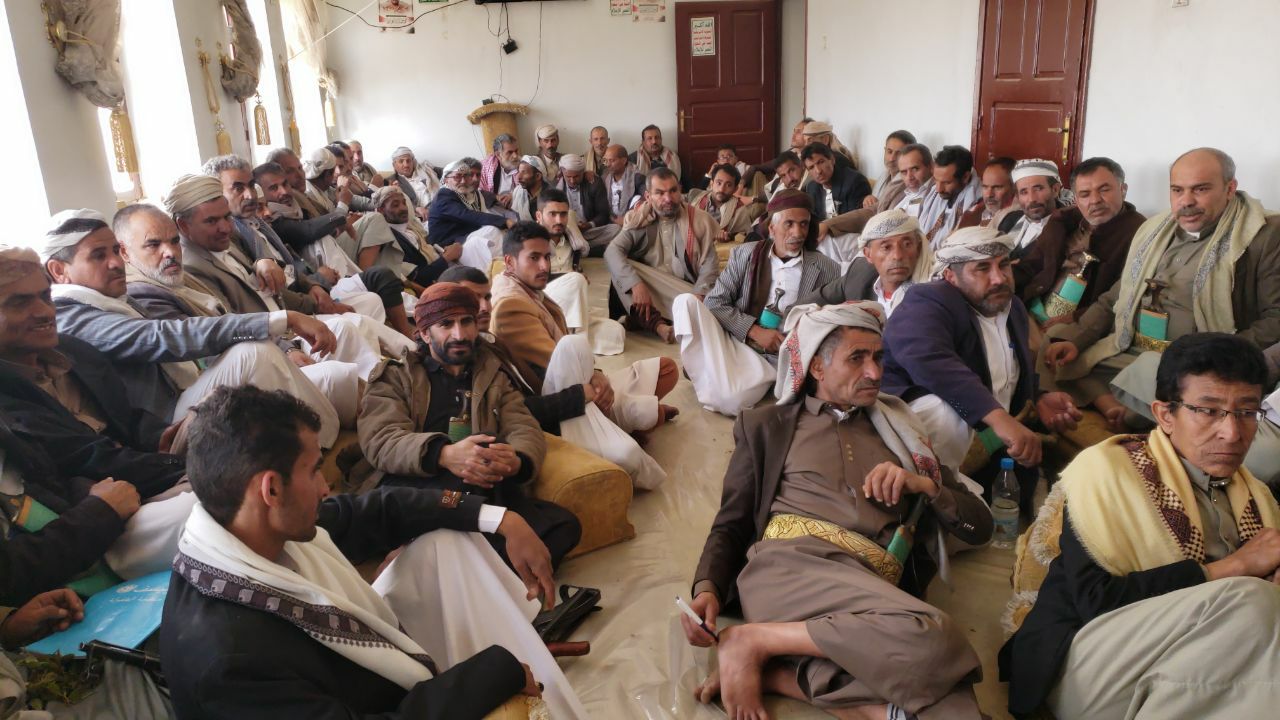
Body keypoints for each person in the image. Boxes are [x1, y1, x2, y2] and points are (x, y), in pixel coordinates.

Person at [161, 385, 588, 719]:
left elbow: (383, 508)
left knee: (445, 541)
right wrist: (497, 672)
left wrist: (499, 518)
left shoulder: (245, 528)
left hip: (363, 680)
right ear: (271, 490)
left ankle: (530, 654)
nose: (326, 487)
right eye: (314, 471)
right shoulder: (228, 662)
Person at [685, 301, 993, 720]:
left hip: (872, 588)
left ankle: (778, 665)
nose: (875, 373)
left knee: (956, 706)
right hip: (790, 571)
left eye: (878, 358)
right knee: (936, 639)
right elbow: (731, 521)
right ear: (817, 366)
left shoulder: (904, 435)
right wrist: (707, 589)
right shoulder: (768, 426)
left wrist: (925, 486)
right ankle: (759, 642)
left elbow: (981, 526)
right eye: (857, 358)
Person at [1002, 333, 1280, 719]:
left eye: (1247, 413)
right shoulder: (1109, 474)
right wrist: (1236, 567)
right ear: (1165, 415)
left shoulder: (1255, 496)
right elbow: (1096, 601)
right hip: (1085, 665)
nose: (1232, 433)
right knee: (1251, 601)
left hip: (1201, 662)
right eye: (1209, 411)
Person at [39, 208, 350, 439]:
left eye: (113, 252)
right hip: (164, 425)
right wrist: (281, 320)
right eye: (97, 256)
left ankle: (327, 441)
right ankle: (320, 450)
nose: (114, 262)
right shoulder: (72, 315)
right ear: (58, 270)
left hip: (190, 390)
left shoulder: (111, 297)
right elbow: (163, 337)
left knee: (337, 360)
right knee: (253, 354)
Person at [1045, 148, 1280, 433]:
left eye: (1200, 189)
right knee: (1055, 350)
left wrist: (1212, 358)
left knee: (1152, 375)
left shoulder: (1263, 235)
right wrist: (1078, 338)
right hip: (1127, 347)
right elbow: (1117, 296)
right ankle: (1116, 405)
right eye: (1177, 190)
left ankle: (1126, 408)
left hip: (1188, 363)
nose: (1186, 201)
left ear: (1230, 189)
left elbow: (1275, 318)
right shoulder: (1155, 231)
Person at [0, 245, 194, 583]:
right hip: (107, 522)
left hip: (148, 468)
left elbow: (127, 417)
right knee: (232, 494)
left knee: (239, 420)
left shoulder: (71, 350)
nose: (44, 311)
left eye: (44, 296)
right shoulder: (7, 402)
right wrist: (191, 464)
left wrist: (164, 434)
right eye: (19, 303)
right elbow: (91, 461)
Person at [358, 283, 582, 568]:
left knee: (564, 526)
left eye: (466, 322)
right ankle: (464, 558)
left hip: (480, 489)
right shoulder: (395, 377)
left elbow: (523, 426)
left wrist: (516, 460)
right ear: (425, 333)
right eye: (446, 324)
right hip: (415, 490)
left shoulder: (493, 375)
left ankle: (451, 561)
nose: (460, 334)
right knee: (477, 458)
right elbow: (381, 439)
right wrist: (445, 454)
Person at [882, 227, 1081, 509]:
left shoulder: (1012, 308)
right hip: (920, 430)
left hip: (986, 436)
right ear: (950, 276)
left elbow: (1007, 372)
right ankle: (927, 498)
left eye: (1003, 265)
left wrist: (1038, 398)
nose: (999, 278)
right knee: (945, 411)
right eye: (982, 269)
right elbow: (932, 362)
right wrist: (1001, 421)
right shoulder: (927, 301)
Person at [490, 224, 676, 489]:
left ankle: (626, 418)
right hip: (563, 399)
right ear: (509, 262)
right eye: (534, 258)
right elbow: (559, 360)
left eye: (547, 257)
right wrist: (594, 380)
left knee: (666, 369)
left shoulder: (528, 289)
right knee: (575, 346)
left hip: (578, 380)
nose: (544, 265)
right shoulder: (510, 304)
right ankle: (623, 421)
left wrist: (597, 374)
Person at [672, 190, 839, 416]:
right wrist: (753, 330)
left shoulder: (826, 268)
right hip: (734, 339)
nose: (798, 232)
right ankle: (712, 372)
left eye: (804, 224)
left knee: (731, 402)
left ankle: (706, 372)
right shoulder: (745, 254)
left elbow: (829, 323)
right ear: (772, 228)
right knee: (684, 303)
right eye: (789, 224)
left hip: (772, 358)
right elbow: (715, 302)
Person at [209, 155, 409, 335]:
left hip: (311, 288)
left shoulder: (258, 222)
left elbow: (291, 268)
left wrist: (313, 285)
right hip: (291, 313)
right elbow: (306, 234)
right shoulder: (232, 237)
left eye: (251, 186)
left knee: (371, 301)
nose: (250, 195)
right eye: (238, 188)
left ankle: (406, 347)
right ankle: (409, 347)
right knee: (351, 323)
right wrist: (316, 290)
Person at [1014, 157, 1146, 327]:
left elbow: (1128, 297)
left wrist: (1076, 318)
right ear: (1076, 199)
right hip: (1035, 306)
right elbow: (1033, 264)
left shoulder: (1140, 233)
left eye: (1104, 190)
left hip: (1084, 324)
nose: (1095, 200)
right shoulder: (1063, 221)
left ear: (1123, 190)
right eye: (1085, 194)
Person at [607, 167, 722, 343]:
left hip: (686, 291)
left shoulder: (699, 220)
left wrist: (697, 298)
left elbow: (710, 266)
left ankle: (650, 321)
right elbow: (612, 251)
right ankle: (660, 327)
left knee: (717, 307)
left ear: (680, 190)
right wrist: (636, 285)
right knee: (621, 272)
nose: (668, 199)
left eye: (673, 191)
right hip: (651, 290)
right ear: (648, 196)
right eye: (660, 193)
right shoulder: (641, 218)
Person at [531, 189, 626, 355]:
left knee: (616, 332)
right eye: (552, 214)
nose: (559, 220)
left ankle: (563, 339)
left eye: (563, 214)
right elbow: (529, 280)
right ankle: (578, 347)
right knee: (576, 280)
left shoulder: (572, 241)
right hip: (541, 304)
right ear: (539, 216)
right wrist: (569, 278)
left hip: (569, 311)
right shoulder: (530, 242)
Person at [802, 209, 934, 318]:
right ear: (868, 254)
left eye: (907, 244)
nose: (898, 256)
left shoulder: (932, 292)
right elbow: (809, 304)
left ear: (918, 248)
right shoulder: (861, 273)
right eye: (886, 247)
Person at [353, 184, 454, 295]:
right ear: (381, 210)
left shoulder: (411, 227)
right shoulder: (386, 240)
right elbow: (418, 277)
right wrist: (446, 258)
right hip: (433, 284)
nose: (403, 208)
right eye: (395, 205)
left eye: (404, 203)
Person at [428, 159, 516, 270]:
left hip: (464, 235)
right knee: (491, 231)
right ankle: (500, 270)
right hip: (449, 244)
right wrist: (505, 221)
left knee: (498, 231)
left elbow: (481, 213)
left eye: (466, 176)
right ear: (446, 180)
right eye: (457, 177)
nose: (463, 181)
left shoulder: (468, 193)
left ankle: (506, 266)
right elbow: (466, 215)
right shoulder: (443, 196)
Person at [802, 143, 872, 268]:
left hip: (852, 237)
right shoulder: (812, 187)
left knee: (823, 243)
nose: (818, 171)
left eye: (821, 162)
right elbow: (814, 218)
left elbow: (856, 221)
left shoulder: (854, 181)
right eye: (811, 167)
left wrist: (828, 226)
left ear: (832, 160)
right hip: (826, 239)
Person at [998, 158, 1070, 257]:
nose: (1032, 199)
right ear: (1017, 196)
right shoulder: (1010, 220)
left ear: (1055, 190)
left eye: (1038, 189)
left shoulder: (1068, 228)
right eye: (1024, 192)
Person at [553, 153, 621, 255]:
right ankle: (586, 248)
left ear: (583, 172)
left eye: (576, 176)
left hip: (588, 231)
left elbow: (603, 213)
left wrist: (589, 225)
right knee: (569, 214)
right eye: (568, 177)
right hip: (567, 232)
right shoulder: (556, 187)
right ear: (562, 172)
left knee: (616, 229)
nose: (572, 181)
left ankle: (578, 248)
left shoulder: (593, 183)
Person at [922, 145, 982, 248]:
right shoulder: (933, 194)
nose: (938, 189)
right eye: (936, 180)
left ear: (965, 177)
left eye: (947, 182)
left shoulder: (979, 202)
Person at [686, 163, 756, 244]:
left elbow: (744, 238)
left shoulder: (739, 210)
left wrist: (729, 238)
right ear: (712, 184)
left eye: (728, 185)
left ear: (735, 189)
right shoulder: (696, 198)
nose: (722, 189)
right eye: (719, 183)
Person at [958, 156, 1016, 229]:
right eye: (985, 187)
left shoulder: (1020, 218)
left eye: (997, 187)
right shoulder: (975, 212)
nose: (989, 195)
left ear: (1014, 187)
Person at [864, 129, 916, 209]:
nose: (891, 158)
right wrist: (869, 199)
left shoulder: (910, 184)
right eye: (889, 151)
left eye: (899, 154)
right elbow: (875, 203)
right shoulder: (884, 175)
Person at [388, 145, 441, 219]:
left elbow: (448, 171)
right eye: (401, 161)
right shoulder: (391, 181)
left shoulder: (426, 170)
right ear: (394, 165)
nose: (406, 165)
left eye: (408, 161)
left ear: (413, 162)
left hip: (439, 206)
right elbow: (392, 204)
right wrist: (416, 208)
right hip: (418, 216)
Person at [599, 143, 644, 225]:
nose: (608, 164)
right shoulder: (605, 176)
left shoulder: (637, 177)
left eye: (612, 161)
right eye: (606, 160)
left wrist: (627, 219)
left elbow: (647, 197)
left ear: (624, 161)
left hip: (629, 222)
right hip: (608, 221)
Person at [479, 133, 521, 201]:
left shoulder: (523, 165)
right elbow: (479, 192)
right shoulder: (484, 167)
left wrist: (514, 195)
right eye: (510, 152)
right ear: (498, 154)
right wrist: (496, 198)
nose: (515, 156)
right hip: (493, 204)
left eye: (516, 151)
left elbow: (530, 187)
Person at [510, 155, 548, 222]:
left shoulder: (551, 196)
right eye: (519, 172)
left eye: (524, 173)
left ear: (538, 176)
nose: (518, 177)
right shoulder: (518, 191)